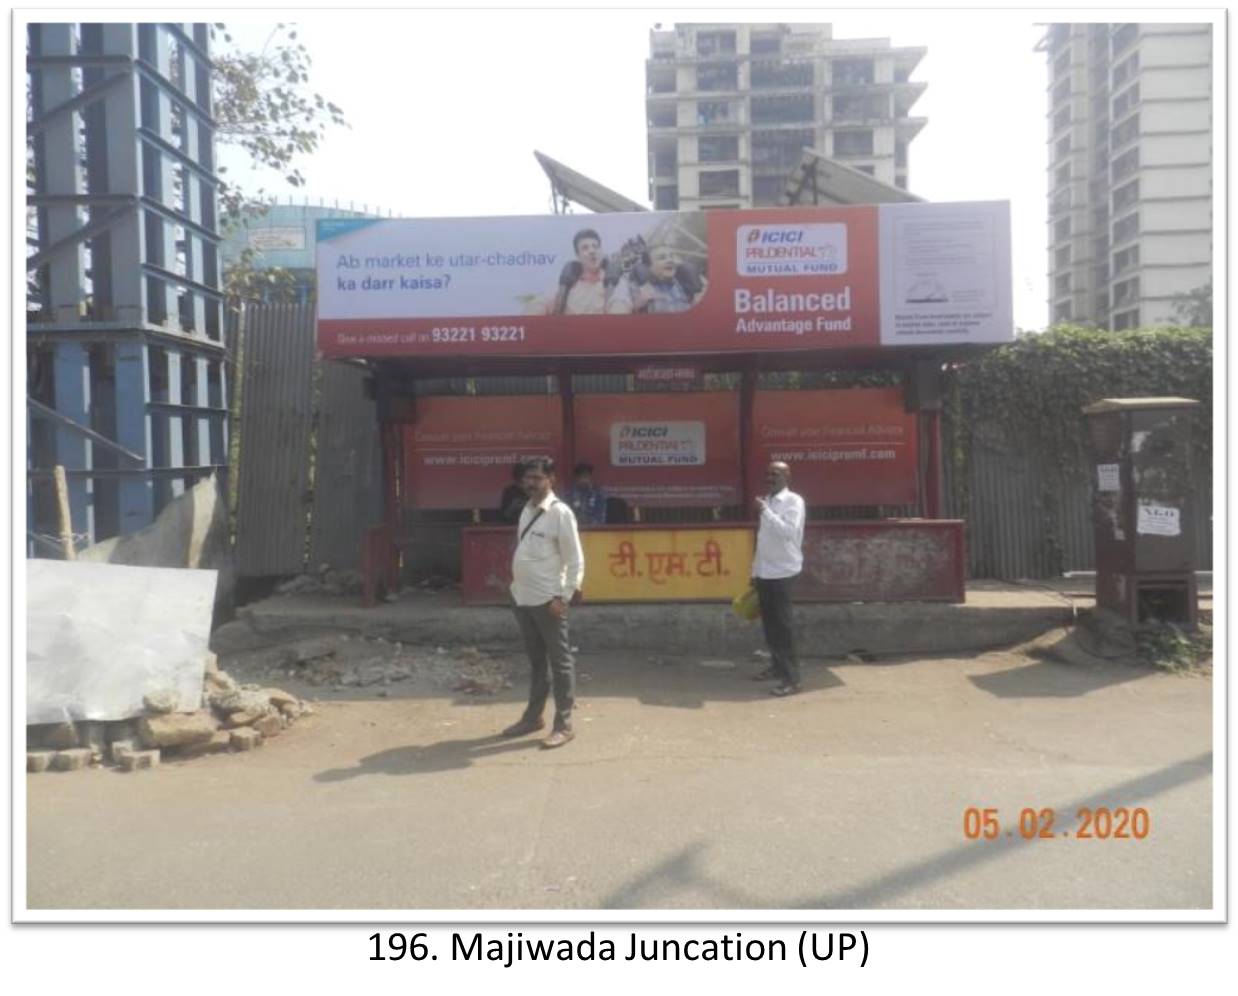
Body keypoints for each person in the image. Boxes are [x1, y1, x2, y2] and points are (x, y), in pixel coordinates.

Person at [502, 457, 585, 748]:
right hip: (522, 598)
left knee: (560, 663)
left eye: (537, 478)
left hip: (548, 601)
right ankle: (533, 718)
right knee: (537, 662)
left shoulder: (560, 513)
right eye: (527, 478)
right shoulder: (526, 509)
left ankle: (564, 724)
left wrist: (564, 597)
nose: (531, 483)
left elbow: (575, 560)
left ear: (551, 480)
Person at [750, 461, 806, 697]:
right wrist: (755, 571)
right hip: (765, 571)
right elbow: (763, 539)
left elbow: (788, 533)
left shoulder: (794, 501)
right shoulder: (768, 500)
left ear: (787, 476)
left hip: (783, 571)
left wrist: (765, 511)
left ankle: (792, 680)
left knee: (783, 628)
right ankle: (776, 667)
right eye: (768, 474)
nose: (770, 477)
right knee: (770, 627)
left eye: (776, 474)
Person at [606, 242, 707, 314]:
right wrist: (636, 303)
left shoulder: (685, 281)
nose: (670, 260)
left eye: (671, 256)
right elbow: (619, 303)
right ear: (649, 266)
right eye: (662, 258)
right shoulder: (633, 284)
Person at [547, 228, 612, 315]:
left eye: (595, 247)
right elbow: (543, 302)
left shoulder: (612, 282)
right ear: (578, 255)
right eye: (585, 248)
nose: (592, 251)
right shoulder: (568, 285)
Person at [563, 462, 608, 526]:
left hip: (593, 530)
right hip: (573, 528)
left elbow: (600, 518)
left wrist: (590, 525)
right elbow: (565, 517)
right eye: (581, 477)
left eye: (586, 477)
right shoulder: (568, 496)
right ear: (576, 479)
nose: (584, 480)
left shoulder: (598, 495)